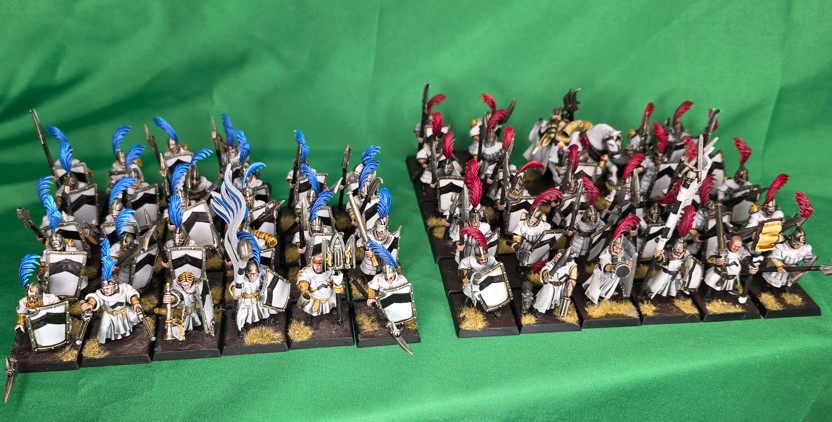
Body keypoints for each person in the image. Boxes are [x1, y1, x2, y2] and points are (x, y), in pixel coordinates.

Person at [80, 239, 143, 344]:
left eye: (108, 288)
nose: (105, 291)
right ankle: (106, 341)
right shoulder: (101, 293)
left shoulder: (124, 288)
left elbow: (131, 294)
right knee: (105, 329)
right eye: (104, 288)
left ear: (115, 286)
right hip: (109, 315)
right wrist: (90, 304)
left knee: (132, 320)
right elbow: (95, 298)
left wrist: (135, 303)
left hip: (123, 313)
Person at [296, 255, 340, 328]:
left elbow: (336, 277)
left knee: (331, 304)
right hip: (314, 299)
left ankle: (332, 311)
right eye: (316, 264)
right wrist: (304, 287)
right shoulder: (307, 272)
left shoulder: (329, 270)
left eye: (321, 264)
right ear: (312, 263)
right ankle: (309, 317)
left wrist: (338, 284)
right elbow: (303, 279)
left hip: (328, 297)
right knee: (309, 308)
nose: (319, 267)